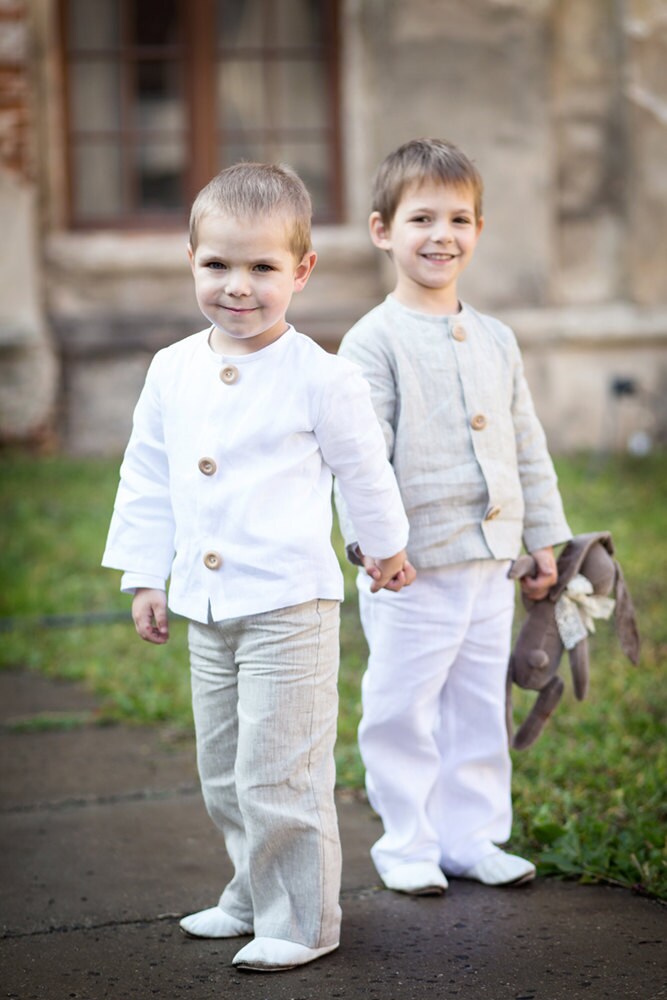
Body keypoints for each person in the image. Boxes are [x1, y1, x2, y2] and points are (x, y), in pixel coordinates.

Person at [102, 162, 413, 972]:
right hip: (207, 606)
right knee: (225, 769)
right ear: (191, 258)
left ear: (301, 271)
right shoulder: (172, 368)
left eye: (262, 268)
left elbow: (364, 471)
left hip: (288, 608)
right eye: (218, 265)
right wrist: (145, 574)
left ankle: (303, 919)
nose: (238, 286)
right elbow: (145, 474)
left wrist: (384, 548)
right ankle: (250, 891)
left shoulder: (323, 376)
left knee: (282, 772)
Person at [335, 138, 571, 896]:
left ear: (478, 229)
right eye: (422, 218)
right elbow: (359, 456)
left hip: (488, 565)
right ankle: (408, 844)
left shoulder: (496, 338)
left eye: (459, 218)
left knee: (476, 702)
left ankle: (472, 837)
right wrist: (376, 546)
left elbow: (524, 444)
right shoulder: (372, 341)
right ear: (382, 230)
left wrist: (545, 542)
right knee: (402, 708)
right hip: (411, 571)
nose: (442, 235)